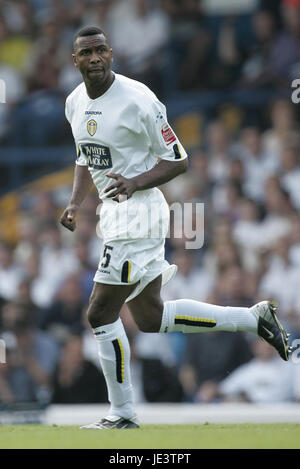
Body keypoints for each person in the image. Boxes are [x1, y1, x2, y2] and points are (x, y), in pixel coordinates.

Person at [59, 26, 291, 430]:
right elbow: (85, 155)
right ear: (74, 60)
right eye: (86, 53)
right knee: (149, 318)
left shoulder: (139, 99)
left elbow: (179, 159)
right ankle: (255, 319)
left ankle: (123, 412)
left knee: (99, 313)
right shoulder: (74, 102)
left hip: (140, 213)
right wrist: (76, 203)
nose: (94, 58)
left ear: (111, 54)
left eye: (100, 51)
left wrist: (135, 181)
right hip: (113, 215)